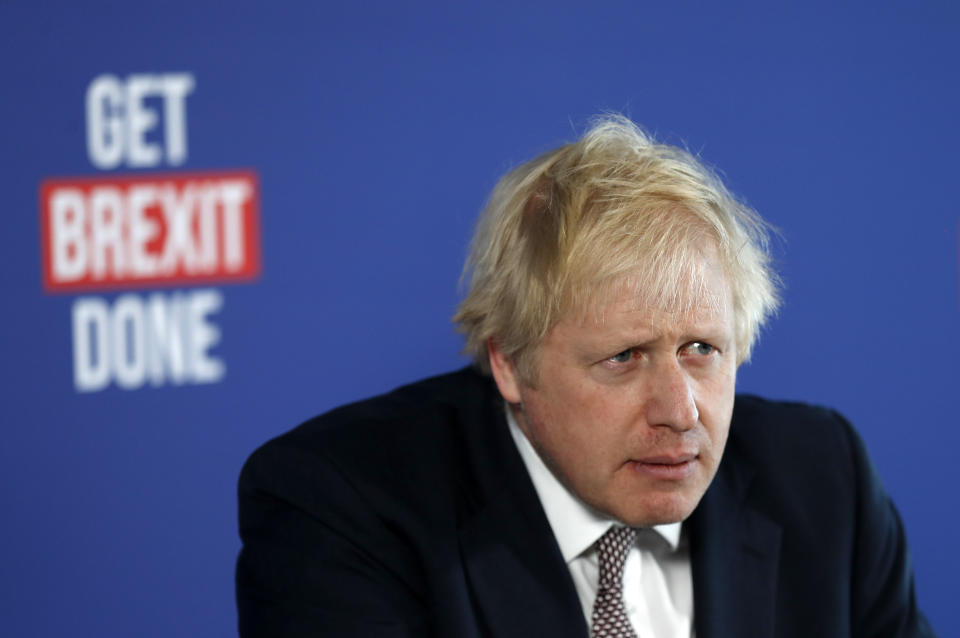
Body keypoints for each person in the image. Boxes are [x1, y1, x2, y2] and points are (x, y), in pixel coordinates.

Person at [236, 115, 935, 637]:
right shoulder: (342, 511)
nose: (680, 412)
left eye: (701, 349)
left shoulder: (823, 483)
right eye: (625, 358)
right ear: (509, 361)